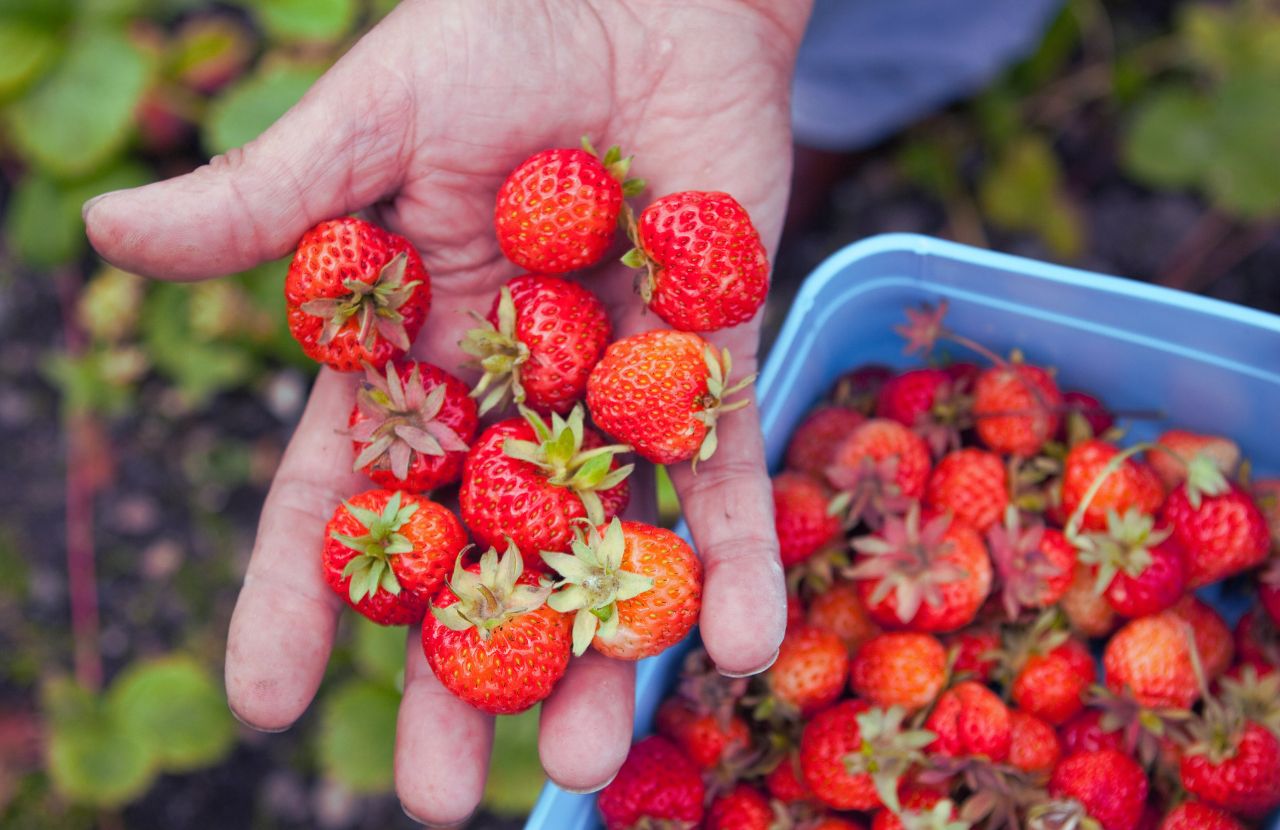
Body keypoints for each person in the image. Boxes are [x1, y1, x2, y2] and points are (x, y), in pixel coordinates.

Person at [83, 1, 1056, 825]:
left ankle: (832, 105)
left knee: (916, 26)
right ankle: (822, 93)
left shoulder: (547, 417)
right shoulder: (498, 450)